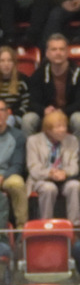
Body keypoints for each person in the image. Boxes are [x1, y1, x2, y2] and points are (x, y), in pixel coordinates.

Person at [22, 33, 80, 140]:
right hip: (46, 114)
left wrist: (62, 111)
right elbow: (32, 102)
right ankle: (31, 155)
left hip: (69, 113)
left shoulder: (79, 72)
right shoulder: (39, 73)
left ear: (67, 52)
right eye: (54, 49)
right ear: (47, 53)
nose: (58, 53)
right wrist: (44, 110)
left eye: (61, 49)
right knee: (28, 119)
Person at [25, 109, 80, 223]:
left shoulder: (72, 140)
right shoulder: (33, 141)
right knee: (49, 188)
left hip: (64, 178)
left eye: (64, 126)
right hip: (42, 178)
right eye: (58, 127)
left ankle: (75, 226)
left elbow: (74, 166)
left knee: (75, 185)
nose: (63, 130)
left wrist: (64, 173)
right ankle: (46, 225)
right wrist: (50, 173)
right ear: (48, 130)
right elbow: (33, 168)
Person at [0, 96, 26, 226]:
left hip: (6, 176)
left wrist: (3, 176)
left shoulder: (17, 136)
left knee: (18, 183)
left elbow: (17, 165)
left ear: (7, 113)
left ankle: (22, 231)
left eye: (1, 110)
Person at [0, 45, 29, 123]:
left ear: (14, 63)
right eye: (2, 61)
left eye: (9, 60)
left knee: (9, 121)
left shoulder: (22, 80)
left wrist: (13, 113)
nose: (6, 64)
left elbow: (26, 104)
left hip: (15, 116)